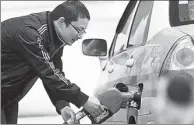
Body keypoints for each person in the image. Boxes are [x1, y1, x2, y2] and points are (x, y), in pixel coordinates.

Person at [1, 0, 104, 124]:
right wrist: (83, 99)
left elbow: (54, 71)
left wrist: (62, 104)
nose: (80, 36)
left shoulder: (54, 37)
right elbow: (47, 73)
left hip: (8, 98)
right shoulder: (31, 34)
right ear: (61, 22)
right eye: (79, 30)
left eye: (84, 31)